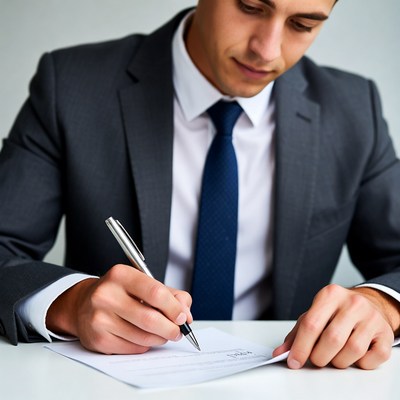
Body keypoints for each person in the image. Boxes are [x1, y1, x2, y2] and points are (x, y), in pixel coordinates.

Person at [0, 0, 399, 371]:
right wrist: (72, 303)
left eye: (302, 24)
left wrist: (382, 304)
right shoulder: (71, 86)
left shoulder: (353, 109)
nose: (267, 50)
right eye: (250, 6)